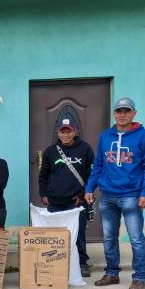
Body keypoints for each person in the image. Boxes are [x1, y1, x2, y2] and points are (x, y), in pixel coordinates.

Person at [85, 97, 145, 289]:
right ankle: (111, 273)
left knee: (136, 238)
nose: (122, 115)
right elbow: (98, 164)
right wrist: (90, 188)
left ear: (134, 113)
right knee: (109, 238)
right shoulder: (105, 137)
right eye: (119, 111)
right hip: (107, 195)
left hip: (132, 196)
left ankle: (139, 278)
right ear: (114, 113)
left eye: (127, 111)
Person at [38, 118, 95, 277]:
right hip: (54, 201)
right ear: (58, 133)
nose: (65, 135)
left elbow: (92, 175)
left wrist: (82, 194)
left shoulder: (85, 149)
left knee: (78, 234)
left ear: (74, 132)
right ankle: (56, 262)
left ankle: (82, 263)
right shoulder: (50, 151)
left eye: (68, 131)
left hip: (76, 201)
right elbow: (43, 176)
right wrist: (43, 194)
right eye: (62, 131)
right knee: (55, 235)